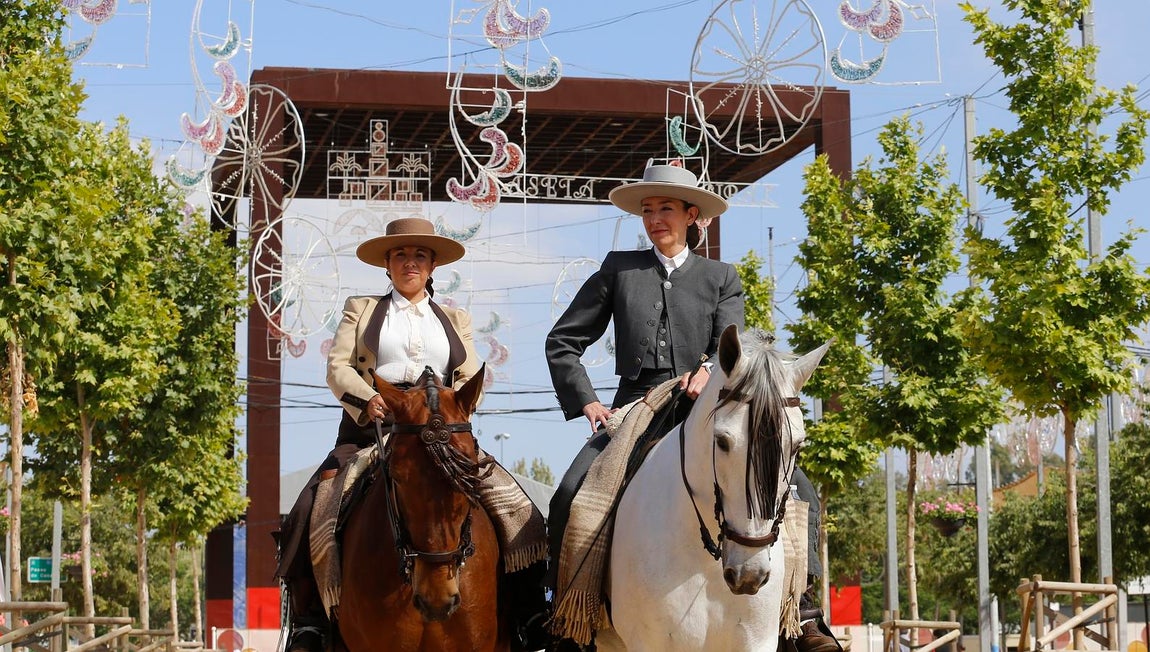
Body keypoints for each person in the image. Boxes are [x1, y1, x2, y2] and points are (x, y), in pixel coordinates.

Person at [544, 161, 840, 652]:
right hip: (636, 411)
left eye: (666, 209)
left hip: (708, 406)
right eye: (648, 210)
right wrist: (588, 402)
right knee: (572, 490)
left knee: (798, 489)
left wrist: (708, 369)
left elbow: (734, 346)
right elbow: (563, 342)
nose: (655, 218)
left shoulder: (721, 276)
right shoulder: (619, 270)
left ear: (692, 216)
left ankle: (804, 613)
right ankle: (564, 613)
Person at [275, 216, 549, 652]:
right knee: (312, 503)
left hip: (442, 427)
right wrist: (368, 399)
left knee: (518, 506)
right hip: (376, 424)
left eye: (420, 255)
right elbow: (338, 366)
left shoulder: (455, 318)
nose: (410, 262)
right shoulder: (360, 308)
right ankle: (310, 622)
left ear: (433, 265)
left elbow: (469, 374)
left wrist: (457, 405)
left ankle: (531, 611)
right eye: (401, 254)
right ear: (387, 263)